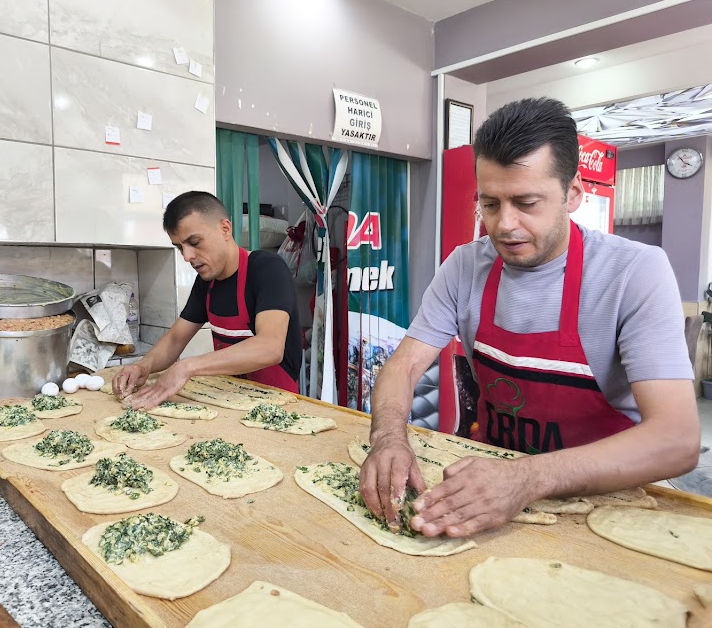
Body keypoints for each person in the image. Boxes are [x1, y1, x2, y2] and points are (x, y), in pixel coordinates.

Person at [360, 97, 700, 539]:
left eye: (526, 202)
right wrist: (388, 437)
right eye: (491, 204)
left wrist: (526, 478)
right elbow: (403, 366)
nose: (505, 225)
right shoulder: (464, 266)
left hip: (608, 506)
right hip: (487, 495)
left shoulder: (634, 272)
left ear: (573, 194)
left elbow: (676, 440)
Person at [112, 191, 302, 409]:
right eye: (179, 247)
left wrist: (187, 367)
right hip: (231, 403)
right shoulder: (207, 282)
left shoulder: (267, 269)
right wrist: (143, 366)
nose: (187, 256)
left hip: (278, 408)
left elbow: (270, 347)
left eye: (194, 242)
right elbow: (175, 339)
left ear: (225, 229)